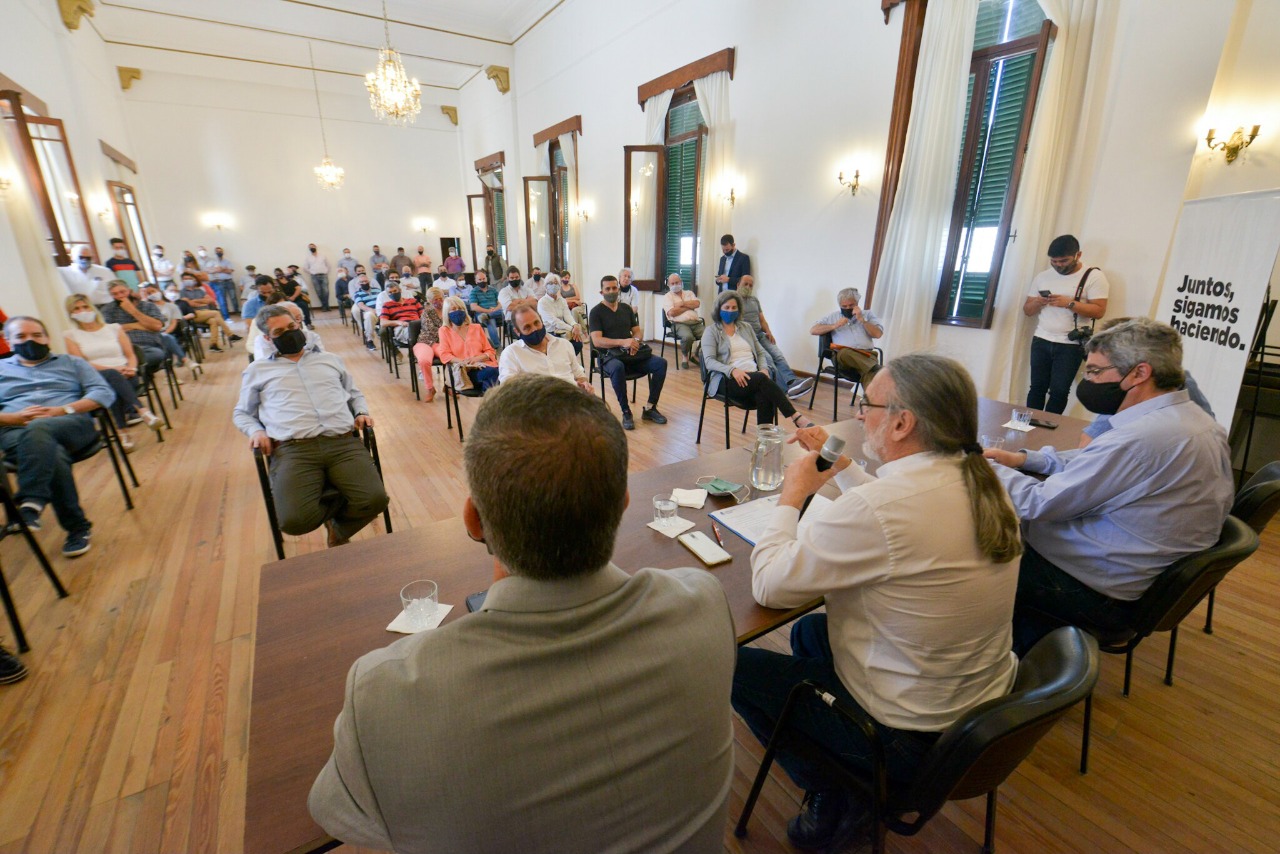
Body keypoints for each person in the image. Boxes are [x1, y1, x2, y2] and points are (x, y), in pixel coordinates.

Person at [308, 374, 736, 853]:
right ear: (623, 507)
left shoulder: (383, 691)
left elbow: (334, 813)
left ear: (473, 521)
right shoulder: (702, 602)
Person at [733, 354, 1023, 849]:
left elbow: (770, 585)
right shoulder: (982, 480)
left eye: (867, 405)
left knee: (729, 664)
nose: (861, 415)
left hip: (903, 736)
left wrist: (793, 494)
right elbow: (897, 513)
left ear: (903, 422)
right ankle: (841, 774)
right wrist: (843, 467)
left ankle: (836, 787)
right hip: (976, 719)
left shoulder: (877, 509)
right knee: (808, 632)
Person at [985, 318, 1233, 653]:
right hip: (1138, 576)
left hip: (1092, 590)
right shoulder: (1194, 421)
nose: (1086, 382)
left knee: (974, 551)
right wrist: (1025, 460)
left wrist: (981, 465)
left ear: (1139, 374)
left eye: (1095, 372)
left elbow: (1038, 503)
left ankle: (1002, 667)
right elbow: (1098, 464)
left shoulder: (1141, 438)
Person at [233, 305, 388, 548]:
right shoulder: (257, 370)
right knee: (294, 521)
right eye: (279, 331)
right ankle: (336, 513)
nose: (289, 333)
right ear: (267, 338)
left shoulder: (330, 360)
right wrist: (256, 430)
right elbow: (242, 413)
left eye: (292, 327)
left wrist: (361, 412)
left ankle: (338, 527)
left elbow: (354, 394)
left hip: (342, 442)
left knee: (376, 500)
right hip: (294, 449)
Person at [0, 316, 116, 557]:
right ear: (8, 341)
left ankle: (31, 500)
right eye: (21, 336)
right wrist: (13, 418)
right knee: (52, 452)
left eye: (36, 335)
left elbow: (103, 392)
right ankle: (77, 528)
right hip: (16, 430)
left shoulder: (72, 363)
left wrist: (63, 410)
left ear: (47, 338)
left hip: (70, 424)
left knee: (39, 429)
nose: (30, 340)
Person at [1023, 234, 1110, 414]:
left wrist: (1069, 303)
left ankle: (1048, 430)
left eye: (1063, 261)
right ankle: (1028, 427)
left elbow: (1099, 311)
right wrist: (1039, 302)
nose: (1058, 265)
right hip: (1041, 338)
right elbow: (1028, 310)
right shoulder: (1043, 277)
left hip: (1071, 344)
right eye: (1054, 261)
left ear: (1078, 255)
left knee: (1060, 391)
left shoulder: (1094, 276)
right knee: (1036, 387)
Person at [701, 291, 814, 430]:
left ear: (739, 309)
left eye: (734, 308)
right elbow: (709, 361)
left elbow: (760, 352)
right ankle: (796, 417)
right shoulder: (711, 331)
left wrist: (763, 369)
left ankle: (764, 439)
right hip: (726, 380)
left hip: (753, 378)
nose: (730, 311)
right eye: (727, 308)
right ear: (719, 309)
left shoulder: (746, 328)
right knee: (763, 382)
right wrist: (732, 370)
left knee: (764, 393)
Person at [62, 295, 163, 449]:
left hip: (127, 374)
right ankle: (142, 411)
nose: (83, 311)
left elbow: (130, 355)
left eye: (85, 307)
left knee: (112, 386)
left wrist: (132, 368)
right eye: (77, 308)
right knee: (111, 378)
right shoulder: (70, 335)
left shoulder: (114, 328)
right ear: (71, 313)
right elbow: (83, 364)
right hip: (96, 377)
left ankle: (123, 433)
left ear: (92, 308)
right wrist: (115, 369)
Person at [588, 275, 668, 431]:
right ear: (601, 291)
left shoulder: (626, 309)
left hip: (630, 355)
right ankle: (626, 411)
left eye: (614, 288)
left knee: (660, 363)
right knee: (617, 367)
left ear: (618, 289)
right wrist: (622, 341)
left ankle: (650, 408)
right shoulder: (596, 312)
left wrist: (635, 342)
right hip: (608, 357)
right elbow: (597, 341)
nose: (612, 291)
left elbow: (637, 332)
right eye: (608, 289)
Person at [736, 275, 813, 399]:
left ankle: (792, 382)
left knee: (777, 355)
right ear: (738, 284)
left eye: (751, 285)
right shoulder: (733, 301)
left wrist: (769, 332)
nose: (748, 287)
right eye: (745, 284)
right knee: (767, 359)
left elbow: (762, 320)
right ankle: (785, 390)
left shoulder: (754, 300)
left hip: (760, 335)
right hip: (747, 337)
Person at [500, 304, 592, 391]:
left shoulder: (564, 344)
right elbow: (508, 392)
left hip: (573, 399)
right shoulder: (511, 354)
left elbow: (579, 375)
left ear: (541, 320)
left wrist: (584, 385)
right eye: (527, 327)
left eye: (536, 323)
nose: (535, 329)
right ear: (517, 331)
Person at [809, 287, 883, 378]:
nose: (848, 308)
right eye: (844, 306)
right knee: (845, 352)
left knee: (870, 376)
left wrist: (862, 320)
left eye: (851, 305)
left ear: (857, 303)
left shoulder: (867, 315)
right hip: (843, 359)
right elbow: (813, 330)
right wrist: (834, 326)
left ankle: (874, 372)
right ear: (840, 305)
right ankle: (877, 369)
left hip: (867, 354)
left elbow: (878, 334)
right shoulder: (833, 317)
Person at [100, 280, 167, 370]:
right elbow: (108, 332)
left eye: (122, 292)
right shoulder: (107, 310)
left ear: (129, 290)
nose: (120, 296)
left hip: (148, 347)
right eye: (115, 294)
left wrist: (132, 311)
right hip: (122, 349)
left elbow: (157, 326)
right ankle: (131, 368)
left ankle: (128, 367)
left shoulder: (148, 306)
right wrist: (141, 325)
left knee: (157, 354)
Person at [437, 297, 499, 393]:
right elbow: (445, 354)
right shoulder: (444, 331)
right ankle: (491, 403)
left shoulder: (476, 328)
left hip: (484, 366)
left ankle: (489, 402)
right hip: (464, 371)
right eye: (453, 309)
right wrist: (466, 362)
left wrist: (476, 359)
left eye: (460, 309)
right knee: (495, 374)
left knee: (498, 372)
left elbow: (490, 351)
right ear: (447, 313)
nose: (458, 311)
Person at [179, 272, 241, 352]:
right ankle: (230, 335)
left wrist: (196, 301)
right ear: (182, 281)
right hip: (194, 314)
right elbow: (190, 304)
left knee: (214, 321)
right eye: (185, 279)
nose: (188, 280)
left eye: (189, 279)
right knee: (216, 313)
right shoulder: (182, 292)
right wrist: (202, 301)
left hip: (206, 312)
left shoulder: (199, 290)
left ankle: (213, 345)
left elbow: (210, 300)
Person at [138, 284, 191, 369]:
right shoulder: (147, 308)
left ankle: (169, 370)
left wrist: (166, 332)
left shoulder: (172, 306)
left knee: (167, 338)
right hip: (153, 334)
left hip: (169, 331)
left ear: (158, 291)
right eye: (148, 293)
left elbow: (174, 323)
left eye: (153, 291)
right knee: (165, 340)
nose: (152, 294)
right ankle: (183, 359)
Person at [410, 288, 446, 403]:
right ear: (430, 300)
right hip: (425, 341)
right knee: (424, 361)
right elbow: (431, 330)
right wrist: (445, 331)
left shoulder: (448, 310)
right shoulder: (426, 312)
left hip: (442, 342)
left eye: (441, 299)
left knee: (449, 357)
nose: (439, 302)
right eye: (435, 299)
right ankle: (430, 388)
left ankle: (449, 385)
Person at [663, 272, 705, 368]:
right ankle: (685, 356)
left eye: (677, 282)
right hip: (678, 324)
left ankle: (696, 355)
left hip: (695, 323)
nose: (675, 285)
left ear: (681, 282)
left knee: (709, 335)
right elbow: (672, 312)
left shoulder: (689, 293)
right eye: (672, 283)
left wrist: (681, 304)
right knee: (687, 337)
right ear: (669, 285)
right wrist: (689, 306)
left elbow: (697, 304)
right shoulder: (667, 297)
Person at [537, 273, 583, 354]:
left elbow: (567, 315)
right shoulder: (542, 302)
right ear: (545, 286)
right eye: (550, 283)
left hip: (563, 330)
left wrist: (575, 325)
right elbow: (554, 321)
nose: (553, 286)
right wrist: (572, 329)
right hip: (550, 332)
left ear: (559, 286)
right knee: (562, 348)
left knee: (578, 344)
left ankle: (567, 363)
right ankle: (562, 363)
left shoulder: (562, 300)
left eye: (556, 283)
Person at [378, 281, 422, 356]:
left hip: (417, 323)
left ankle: (415, 352)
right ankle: (413, 352)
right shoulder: (387, 305)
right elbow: (383, 322)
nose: (393, 294)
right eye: (390, 292)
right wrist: (398, 322)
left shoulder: (413, 301)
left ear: (400, 290)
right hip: (402, 326)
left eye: (395, 291)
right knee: (412, 333)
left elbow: (423, 314)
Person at [468, 271, 502, 347]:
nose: (482, 281)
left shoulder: (493, 290)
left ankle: (488, 315)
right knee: (491, 321)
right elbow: (473, 307)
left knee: (506, 310)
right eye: (480, 279)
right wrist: (488, 311)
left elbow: (501, 302)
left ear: (487, 279)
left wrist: (495, 309)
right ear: (476, 281)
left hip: (496, 311)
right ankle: (497, 346)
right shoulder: (473, 292)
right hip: (481, 313)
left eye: (484, 278)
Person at [350, 274, 381, 351]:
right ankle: (369, 340)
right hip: (368, 311)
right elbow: (361, 305)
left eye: (365, 281)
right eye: (362, 282)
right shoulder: (357, 294)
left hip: (380, 311)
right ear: (359, 284)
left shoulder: (377, 290)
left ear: (369, 281)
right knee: (369, 315)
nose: (364, 283)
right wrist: (371, 310)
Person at [208, 246, 238, 314]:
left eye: (220, 251)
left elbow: (230, 271)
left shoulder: (227, 261)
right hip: (219, 282)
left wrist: (220, 269)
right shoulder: (212, 262)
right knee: (223, 299)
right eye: (217, 251)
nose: (219, 252)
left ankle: (237, 312)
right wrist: (224, 269)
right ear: (215, 252)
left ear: (223, 252)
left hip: (229, 281)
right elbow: (210, 271)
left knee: (233, 297)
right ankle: (226, 313)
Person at [304, 243, 332, 311]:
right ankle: (324, 306)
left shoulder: (322, 256)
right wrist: (312, 272)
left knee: (326, 291)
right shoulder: (308, 258)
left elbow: (328, 265)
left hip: (324, 275)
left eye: (313, 246)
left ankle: (326, 306)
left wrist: (326, 271)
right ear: (309, 249)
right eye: (310, 247)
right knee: (318, 292)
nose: (312, 248)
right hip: (314, 276)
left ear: (315, 247)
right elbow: (305, 268)